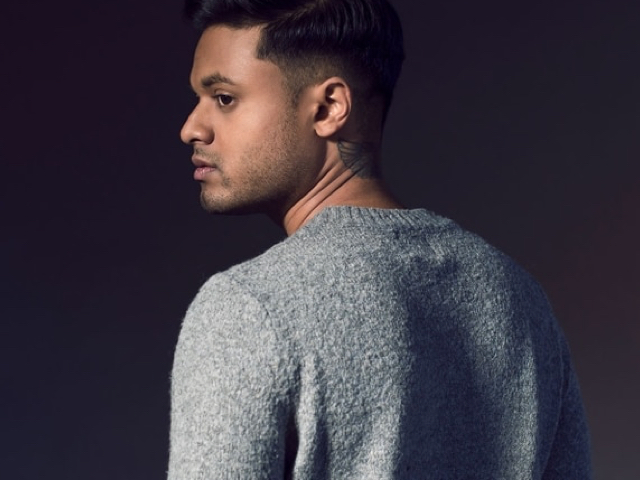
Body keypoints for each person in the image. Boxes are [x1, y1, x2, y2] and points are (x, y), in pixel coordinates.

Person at [169, 0, 593, 478]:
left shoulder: (249, 308)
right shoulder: (520, 298)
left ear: (329, 108)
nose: (191, 128)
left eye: (224, 98)